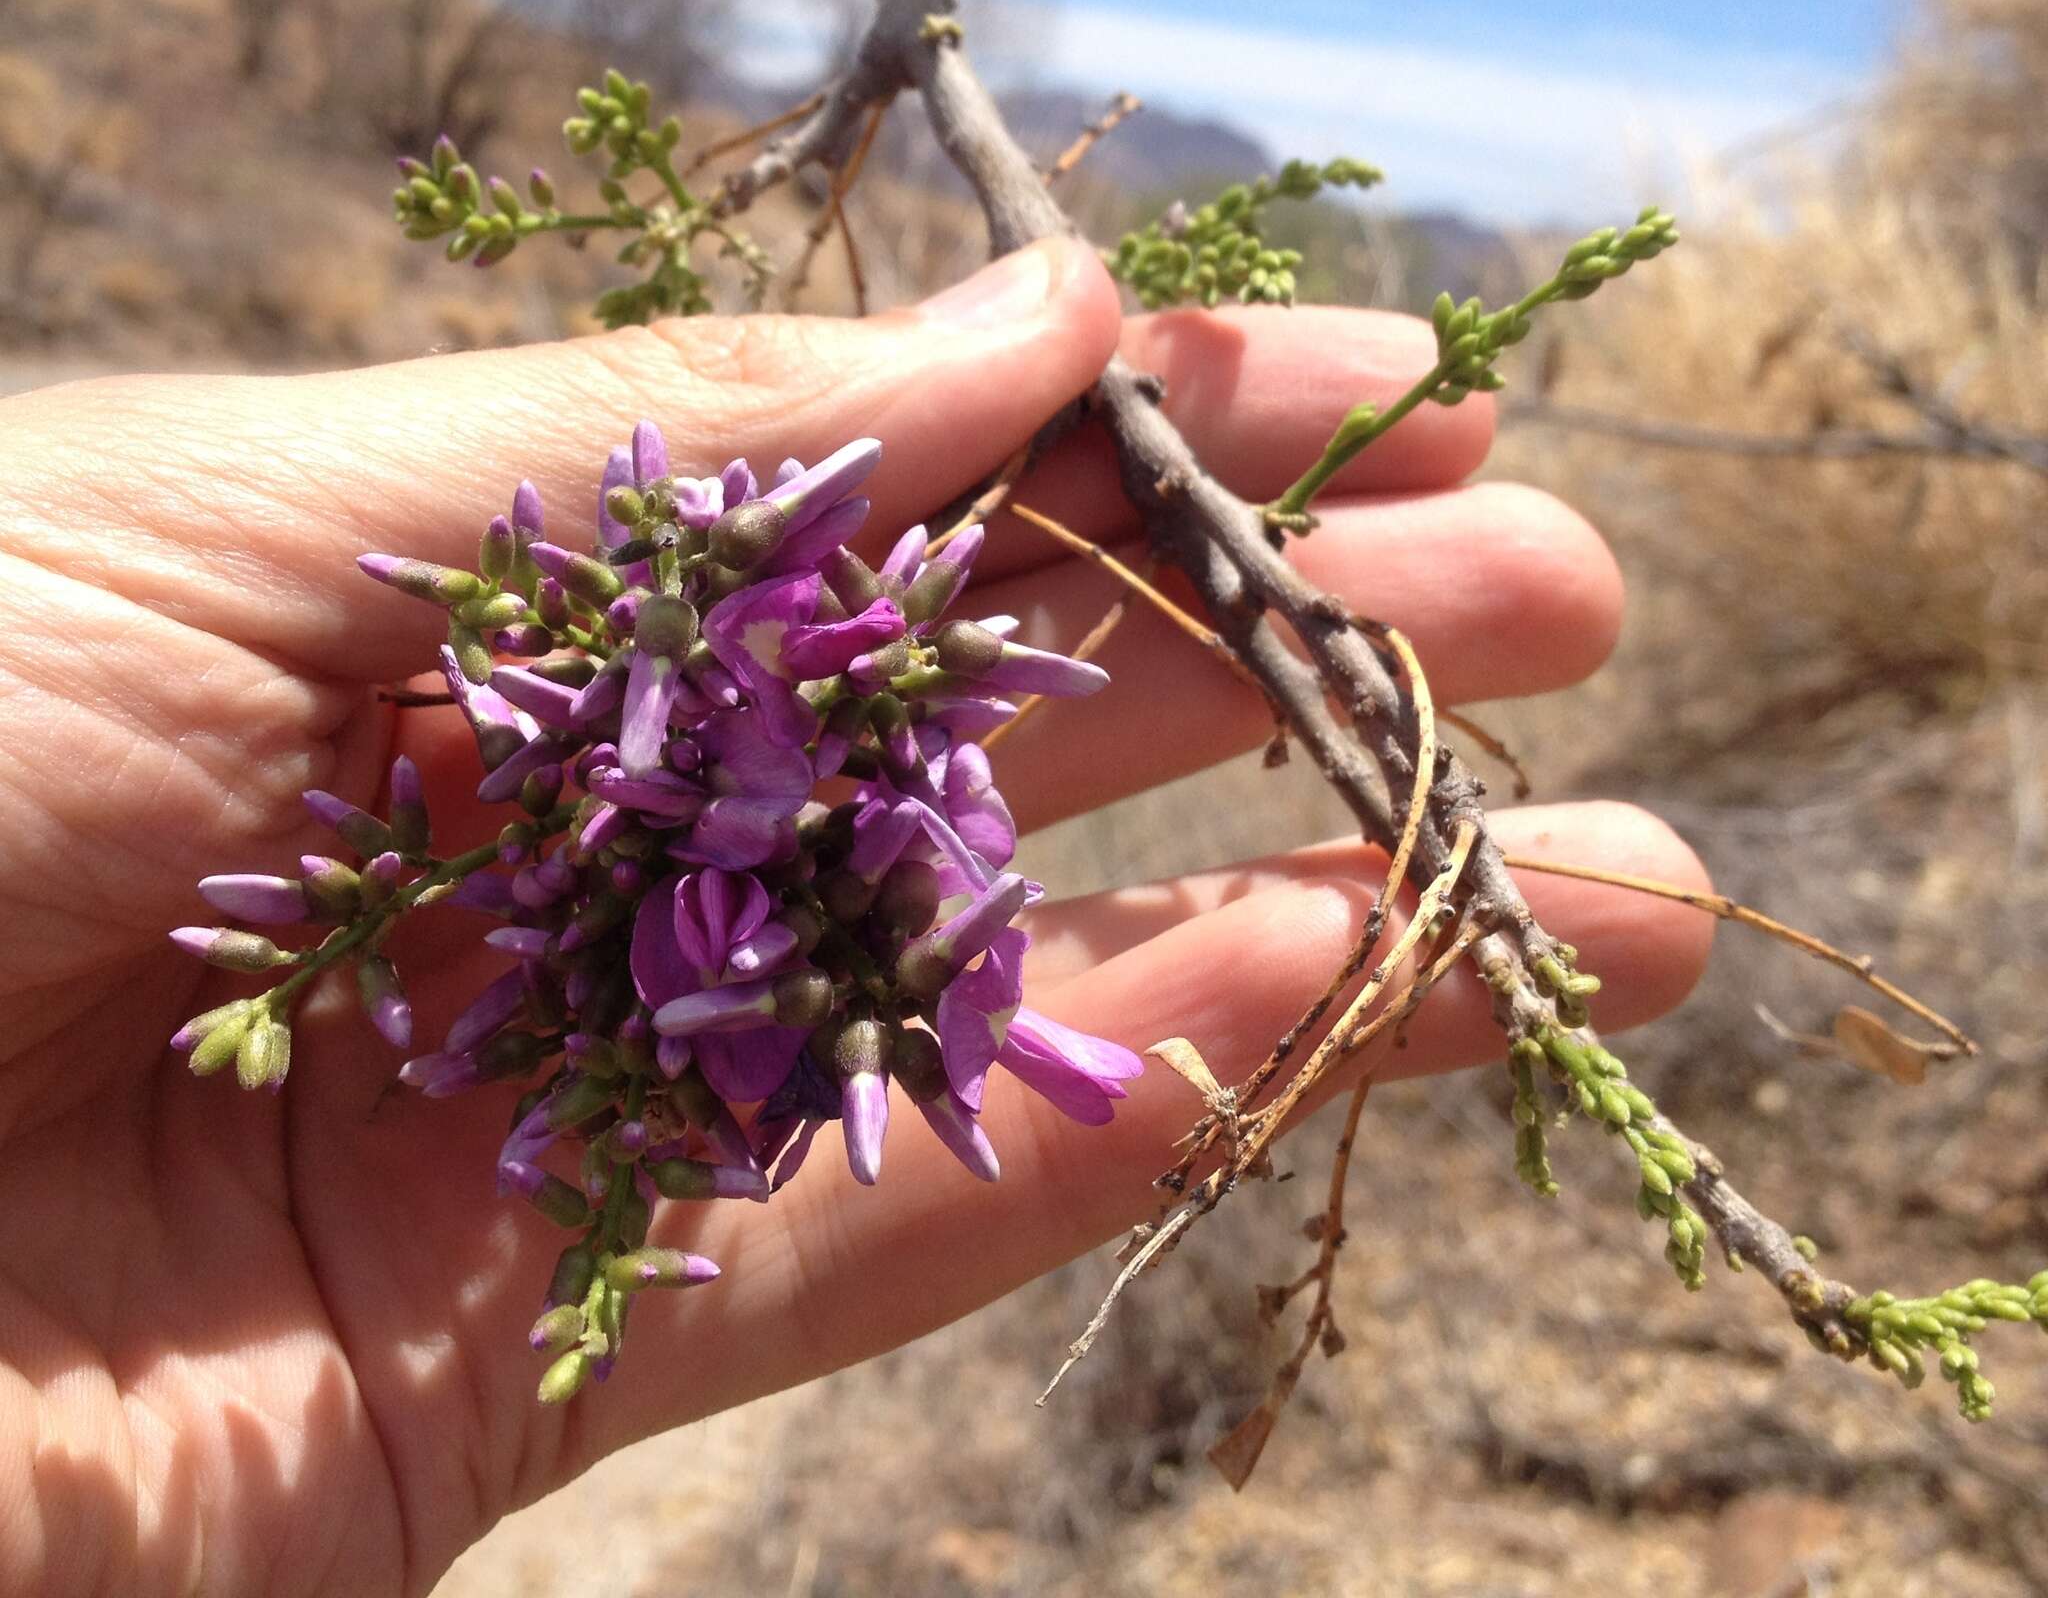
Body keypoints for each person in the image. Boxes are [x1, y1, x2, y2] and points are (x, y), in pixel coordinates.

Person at [0, 239, 1710, 1596]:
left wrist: (756, 856)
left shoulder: (858, 832)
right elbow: (823, 873)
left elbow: (866, 861)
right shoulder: (802, 827)